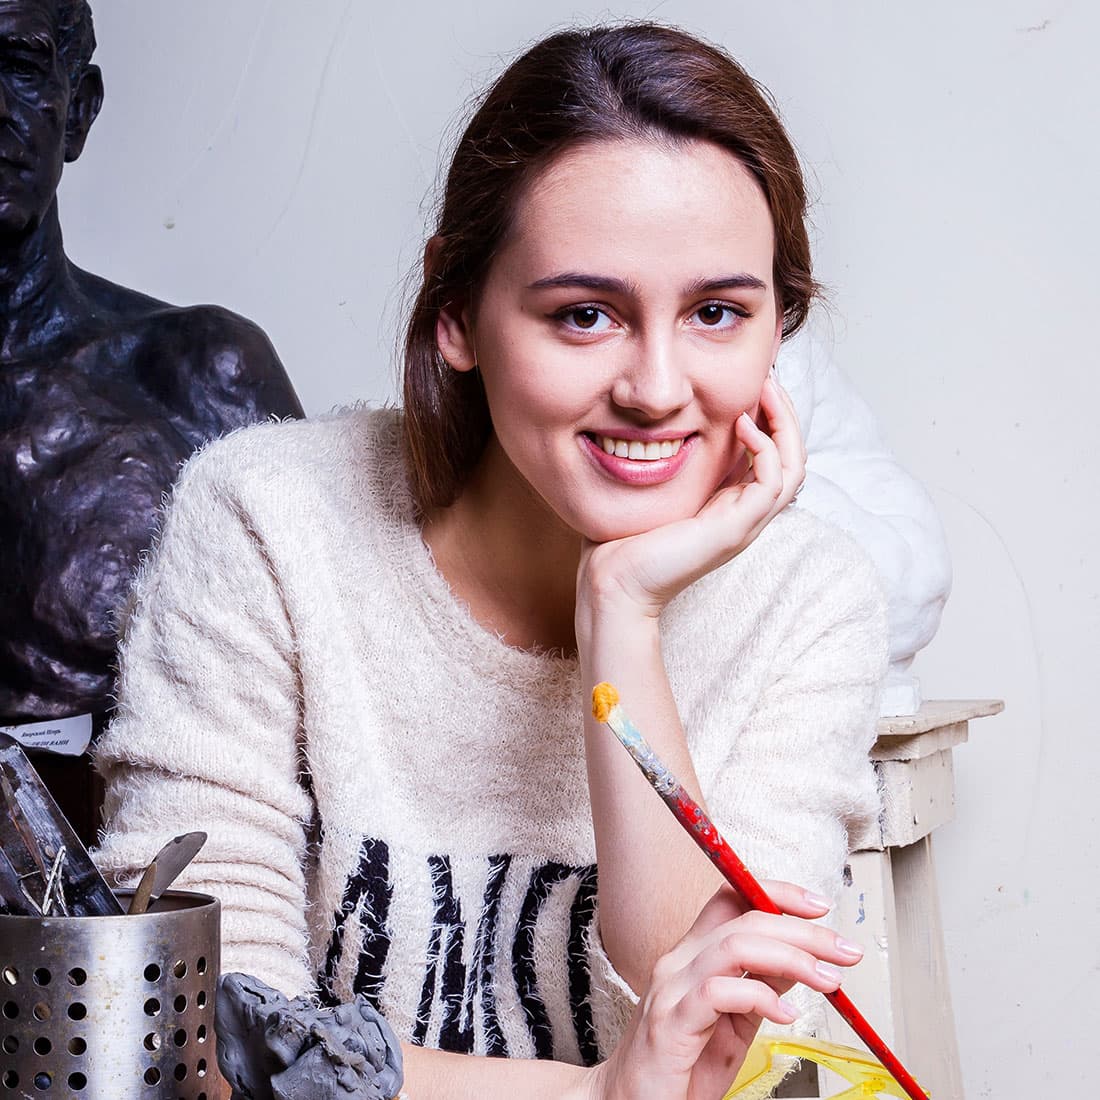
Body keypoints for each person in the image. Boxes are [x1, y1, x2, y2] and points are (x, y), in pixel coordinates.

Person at [94, 23, 888, 1100]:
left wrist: (622, 611)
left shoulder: (810, 599)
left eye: (716, 313)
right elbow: (210, 1039)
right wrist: (587, 1094)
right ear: (456, 311)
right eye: (584, 314)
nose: (657, 388)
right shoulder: (269, 524)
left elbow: (710, 1055)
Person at [0, 0, 302, 838]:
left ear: (78, 111)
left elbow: (340, 696)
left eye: (19, 67)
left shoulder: (203, 374)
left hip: (155, 888)